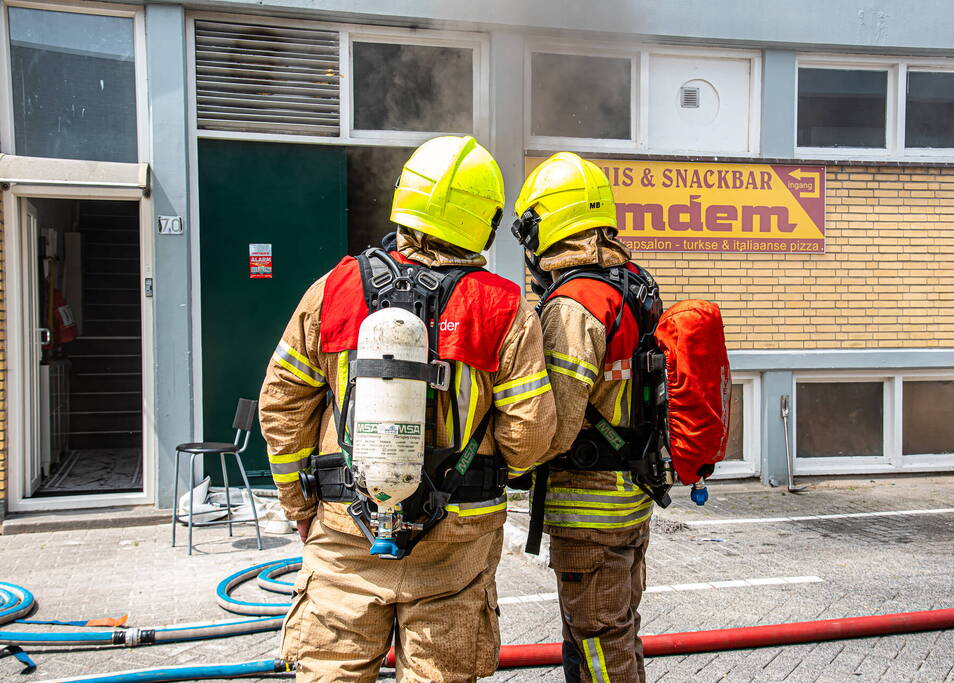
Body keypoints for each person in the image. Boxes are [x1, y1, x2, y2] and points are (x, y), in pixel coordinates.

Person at [259, 135, 555, 682]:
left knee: (331, 673)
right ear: (484, 221)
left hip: (346, 528)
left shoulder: (333, 289)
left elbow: (281, 402)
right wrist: (488, 474)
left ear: (404, 200)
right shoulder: (505, 307)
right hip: (457, 539)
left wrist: (299, 503)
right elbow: (531, 434)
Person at [510, 152, 686, 683]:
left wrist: (502, 460)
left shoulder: (575, 303)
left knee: (595, 644)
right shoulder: (632, 282)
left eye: (530, 229)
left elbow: (555, 425)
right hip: (630, 496)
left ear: (548, 223)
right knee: (619, 631)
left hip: (590, 512)